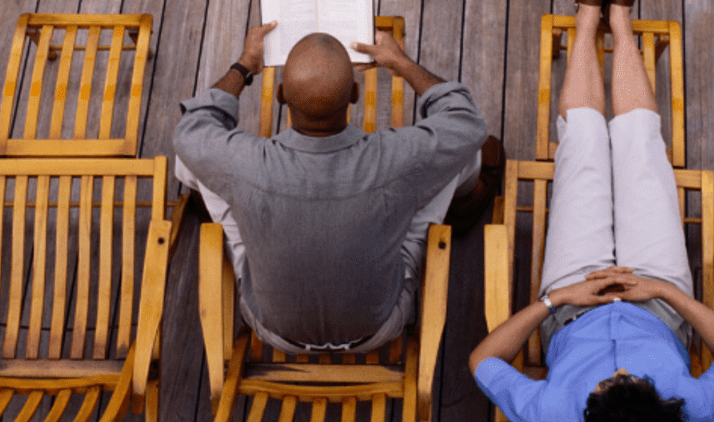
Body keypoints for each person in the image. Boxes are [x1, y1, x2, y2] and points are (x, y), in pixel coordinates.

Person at [469, 0, 714, 422]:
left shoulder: (555, 418)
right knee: (640, 151)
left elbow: (484, 361)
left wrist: (557, 300)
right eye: (638, 383)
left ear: (587, 420)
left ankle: (586, 18)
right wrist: (666, 294)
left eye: (607, 387)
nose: (621, 373)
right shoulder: (693, 415)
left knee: (582, 148)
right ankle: (621, 20)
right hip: (660, 302)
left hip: (575, 296)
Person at [175, 19, 499, 354]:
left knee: (190, 159)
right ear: (355, 95)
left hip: (273, 329)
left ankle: (221, 205)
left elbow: (191, 129)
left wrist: (244, 66)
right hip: (376, 327)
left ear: (283, 96)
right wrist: (400, 62)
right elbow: (466, 123)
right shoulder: (397, 158)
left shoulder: (246, 161)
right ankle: (464, 206)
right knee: (466, 155)